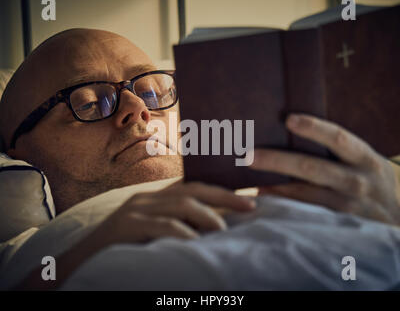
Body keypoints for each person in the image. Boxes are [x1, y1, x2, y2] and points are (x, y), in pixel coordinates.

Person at [0, 29, 399, 289]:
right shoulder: (29, 257)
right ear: (16, 149)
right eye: (89, 101)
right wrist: (85, 252)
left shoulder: (295, 178)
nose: (139, 109)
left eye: (154, 91)